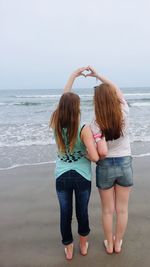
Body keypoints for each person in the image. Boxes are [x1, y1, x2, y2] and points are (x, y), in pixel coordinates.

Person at [50, 68, 99, 260]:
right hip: (82, 176)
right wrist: (86, 154)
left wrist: (73, 75)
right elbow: (95, 157)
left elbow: (64, 97)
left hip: (61, 175)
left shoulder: (55, 122)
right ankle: (83, 246)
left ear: (61, 107)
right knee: (82, 212)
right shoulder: (83, 128)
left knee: (65, 214)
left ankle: (68, 248)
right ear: (77, 108)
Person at [88, 66, 133, 254]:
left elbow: (99, 151)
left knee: (107, 210)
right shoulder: (124, 111)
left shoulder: (94, 122)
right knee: (122, 209)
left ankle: (109, 243)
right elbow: (115, 88)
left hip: (105, 165)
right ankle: (118, 243)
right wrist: (98, 75)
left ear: (97, 102)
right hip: (124, 163)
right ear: (113, 97)